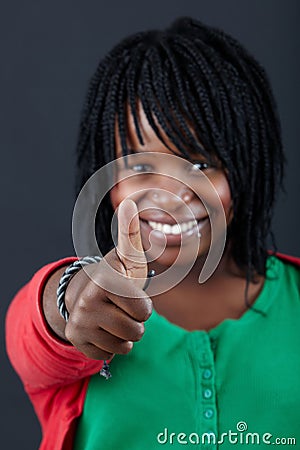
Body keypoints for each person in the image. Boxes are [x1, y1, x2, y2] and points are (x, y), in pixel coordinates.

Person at [6, 16, 300, 450]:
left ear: (247, 165)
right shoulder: (92, 309)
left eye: (200, 165)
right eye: (140, 166)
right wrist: (69, 302)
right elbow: (33, 333)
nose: (170, 196)